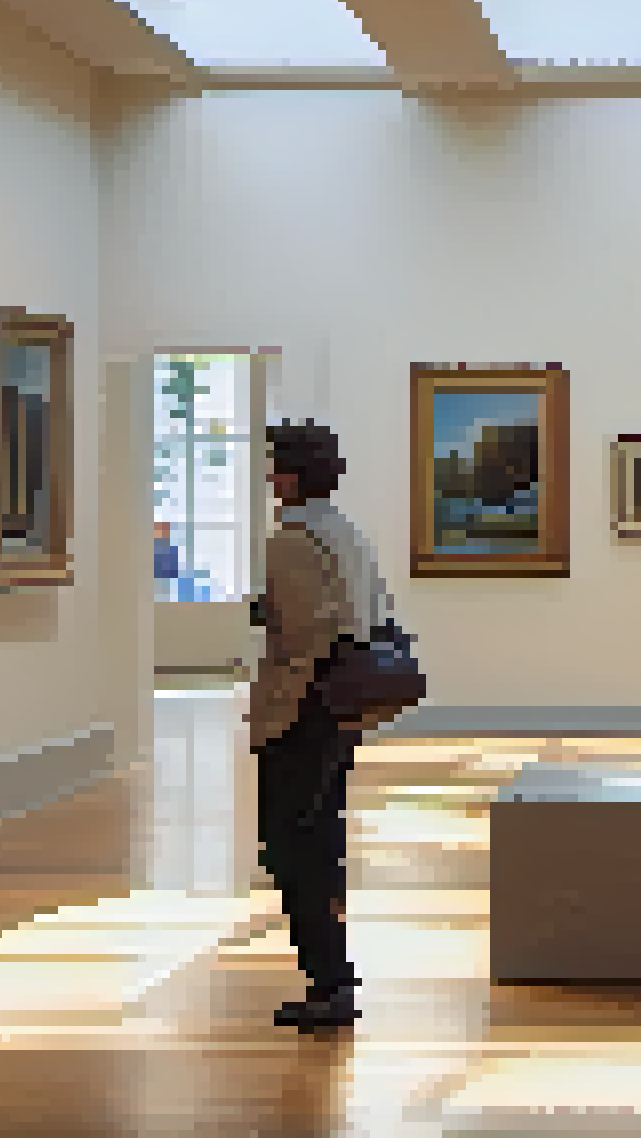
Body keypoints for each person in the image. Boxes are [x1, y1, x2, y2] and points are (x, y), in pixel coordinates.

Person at [249, 420, 396, 1031]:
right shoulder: (346, 533)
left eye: (276, 463)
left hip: (302, 706)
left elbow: (308, 632)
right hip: (341, 706)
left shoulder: (290, 539)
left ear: (294, 471)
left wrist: (268, 617)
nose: (269, 475)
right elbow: (369, 612)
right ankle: (333, 973)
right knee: (319, 835)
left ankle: (329, 980)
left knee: (290, 843)